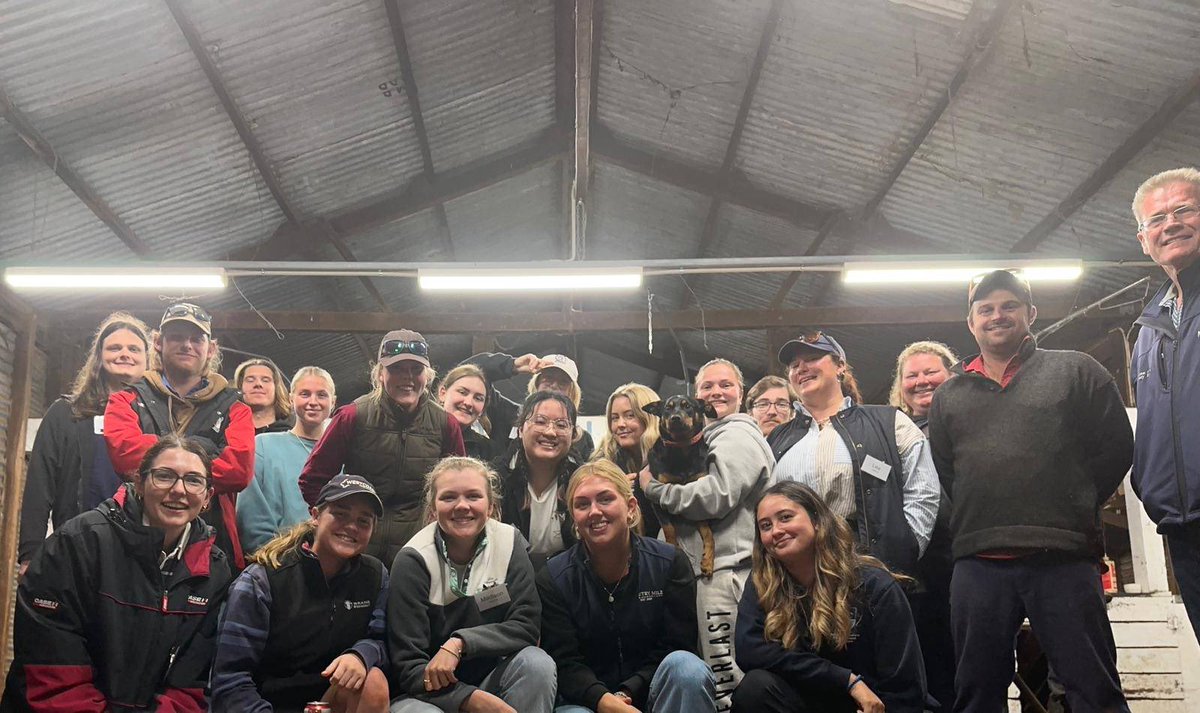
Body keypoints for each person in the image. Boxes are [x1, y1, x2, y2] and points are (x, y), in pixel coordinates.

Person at [928, 269, 1134, 712]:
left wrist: (1070, 501)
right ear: (971, 322)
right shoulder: (950, 394)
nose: (997, 315)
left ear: (1031, 314)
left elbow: (1117, 449)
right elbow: (949, 471)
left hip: (1062, 557)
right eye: (985, 309)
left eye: (1009, 306)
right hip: (978, 564)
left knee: (1092, 688)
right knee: (976, 694)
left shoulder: (1077, 371)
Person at [1, 435, 233, 712]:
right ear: (139, 484)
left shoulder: (213, 569)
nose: (179, 490)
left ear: (208, 497)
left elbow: (191, 681)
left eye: (193, 480)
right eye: (164, 476)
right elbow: (52, 667)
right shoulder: (79, 543)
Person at [637, 358, 775, 710]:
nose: (716, 391)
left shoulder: (737, 434)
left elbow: (714, 497)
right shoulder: (706, 437)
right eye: (707, 386)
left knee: (726, 679)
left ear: (741, 393)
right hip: (706, 573)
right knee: (710, 675)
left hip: (725, 573)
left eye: (725, 384)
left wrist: (653, 489)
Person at [732, 482, 927, 713]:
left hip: (870, 707)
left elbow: (905, 688)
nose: (775, 530)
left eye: (785, 517)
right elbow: (750, 652)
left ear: (816, 520)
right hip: (808, 702)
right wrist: (846, 680)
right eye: (765, 526)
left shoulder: (874, 585)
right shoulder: (761, 584)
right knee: (755, 689)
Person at [539, 459, 715, 713]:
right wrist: (606, 702)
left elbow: (677, 645)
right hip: (587, 703)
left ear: (631, 507)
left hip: (654, 695)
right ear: (574, 518)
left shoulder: (669, 563)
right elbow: (565, 662)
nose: (594, 511)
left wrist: (626, 693)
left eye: (605, 499)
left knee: (688, 668)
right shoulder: (554, 577)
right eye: (582, 504)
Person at [388, 457, 557, 713]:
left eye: (473, 496)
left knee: (537, 664)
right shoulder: (413, 560)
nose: (462, 506)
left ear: (490, 506)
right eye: (448, 497)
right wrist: (469, 699)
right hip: (428, 696)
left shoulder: (510, 543)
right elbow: (409, 667)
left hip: (494, 681)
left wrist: (460, 644)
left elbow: (526, 627)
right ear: (433, 508)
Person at [212, 473, 390, 713]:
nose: (351, 527)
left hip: (326, 701)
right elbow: (230, 679)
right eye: (340, 514)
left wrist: (361, 654)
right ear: (315, 516)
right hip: (265, 705)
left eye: (363, 521)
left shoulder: (376, 575)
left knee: (373, 680)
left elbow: (381, 639)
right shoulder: (261, 580)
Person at [767, 332, 939, 581]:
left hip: (872, 567)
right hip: (797, 572)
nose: (801, 368)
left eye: (813, 358)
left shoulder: (890, 422)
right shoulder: (776, 439)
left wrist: (905, 549)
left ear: (840, 366)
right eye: (794, 365)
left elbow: (923, 490)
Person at [105, 302, 255, 570]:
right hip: (132, 538)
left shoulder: (236, 407)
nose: (187, 345)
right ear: (159, 343)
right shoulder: (126, 399)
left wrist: (157, 460)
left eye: (196, 338)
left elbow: (239, 470)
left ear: (210, 349)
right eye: (176, 336)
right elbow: (125, 456)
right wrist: (206, 450)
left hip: (212, 541)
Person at [300, 329, 466, 564]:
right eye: (396, 368)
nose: (407, 377)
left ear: (427, 376)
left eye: (415, 369)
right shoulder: (352, 416)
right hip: (356, 548)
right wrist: (339, 524)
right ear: (379, 373)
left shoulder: (445, 424)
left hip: (418, 549)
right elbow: (313, 479)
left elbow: (459, 488)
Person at [18, 312, 150, 575]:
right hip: (77, 544)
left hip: (140, 549)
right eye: (115, 347)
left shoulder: (157, 417)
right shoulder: (66, 413)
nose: (125, 354)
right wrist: (30, 553)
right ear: (99, 358)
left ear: (148, 360)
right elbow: (40, 482)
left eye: (134, 349)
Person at [1129, 167, 1200, 643]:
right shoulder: (1149, 329)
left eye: (1184, 210)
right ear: (1143, 239)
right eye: (1157, 218)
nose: (1170, 224)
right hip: (1183, 523)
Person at [888, 340, 957, 712]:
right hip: (913, 566)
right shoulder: (891, 433)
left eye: (931, 372)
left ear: (951, 374)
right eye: (911, 375)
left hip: (964, 560)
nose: (921, 381)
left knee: (970, 669)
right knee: (920, 667)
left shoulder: (967, 420)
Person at [238, 366, 337, 555]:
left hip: (331, 564)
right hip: (274, 563)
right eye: (305, 394)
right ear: (291, 398)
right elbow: (251, 518)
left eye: (322, 395)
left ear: (333, 401)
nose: (313, 402)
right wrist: (275, 560)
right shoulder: (263, 447)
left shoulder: (341, 453)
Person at [492, 391, 584, 567]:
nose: (550, 432)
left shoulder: (583, 481)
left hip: (566, 575)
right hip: (510, 575)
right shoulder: (496, 478)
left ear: (572, 435)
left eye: (561, 425)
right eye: (540, 422)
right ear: (520, 430)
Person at [464, 350, 595, 459]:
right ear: (536, 384)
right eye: (548, 378)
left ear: (572, 392)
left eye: (563, 382)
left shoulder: (581, 439)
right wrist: (512, 365)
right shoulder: (508, 414)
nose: (554, 385)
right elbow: (465, 373)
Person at [592, 382, 662, 538]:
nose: (620, 424)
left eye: (630, 416)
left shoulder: (670, 460)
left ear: (648, 418)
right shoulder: (602, 465)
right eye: (614, 418)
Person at [438, 364, 494, 461]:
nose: (468, 403)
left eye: (478, 398)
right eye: (462, 392)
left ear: (483, 409)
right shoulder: (417, 433)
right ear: (443, 393)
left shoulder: (488, 450)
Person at [235, 357, 293, 434]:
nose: (258, 384)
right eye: (250, 380)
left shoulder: (293, 435)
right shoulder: (224, 434)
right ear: (240, 387)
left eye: (265, 380)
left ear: (276, 388)